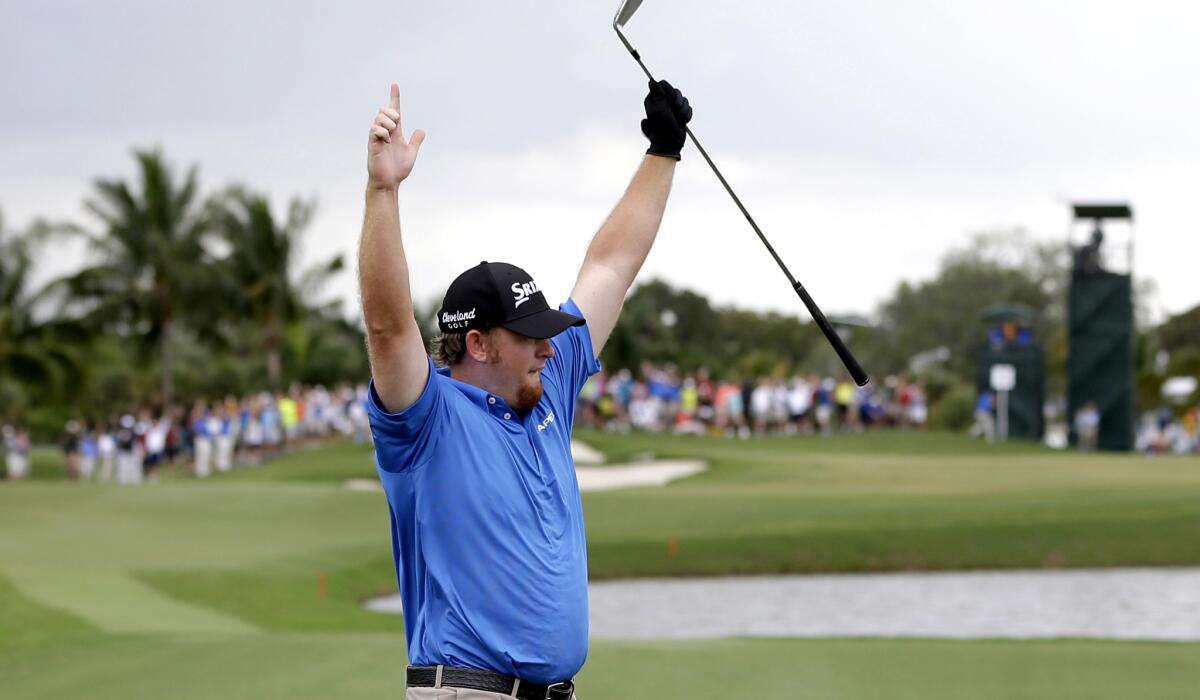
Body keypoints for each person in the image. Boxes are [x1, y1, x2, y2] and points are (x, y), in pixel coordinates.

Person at [361, 79, 691, 700]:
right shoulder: (426, 418)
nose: (548, 347)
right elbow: (385, 325)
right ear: (479, 344)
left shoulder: (547, 389)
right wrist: (384, 191)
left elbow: (610, 267)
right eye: (529, 336)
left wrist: (663, 151)